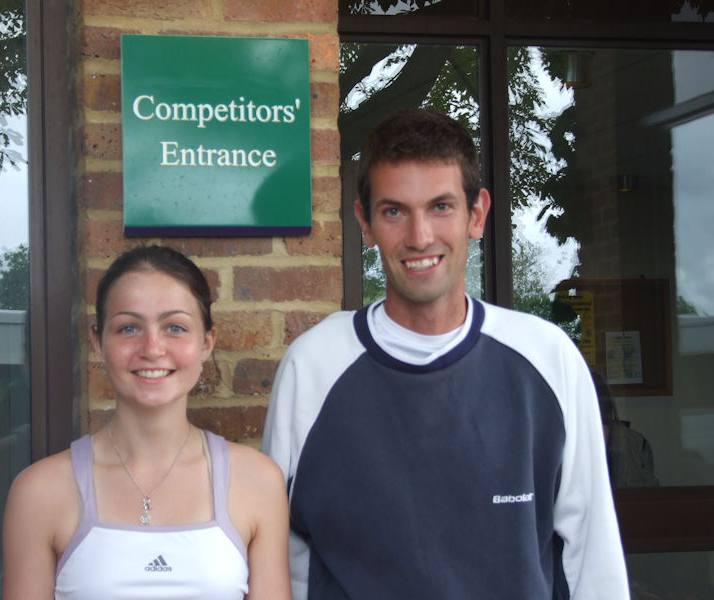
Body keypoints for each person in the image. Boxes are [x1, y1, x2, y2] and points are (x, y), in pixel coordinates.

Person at [262, 108, 629, 599]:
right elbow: (281, 557)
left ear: (476, 214)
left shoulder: (547, 357)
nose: (420, 237)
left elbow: (593, 557)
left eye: (441, 207)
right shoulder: (313, 366)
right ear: (364, 223)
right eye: (394, 210)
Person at [3, 245, 291, 600]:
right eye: (128, 328)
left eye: (175, 327)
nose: (152, 348)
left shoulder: (258, 481)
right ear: (98, 343)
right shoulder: (39, 492)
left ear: (206, 342)